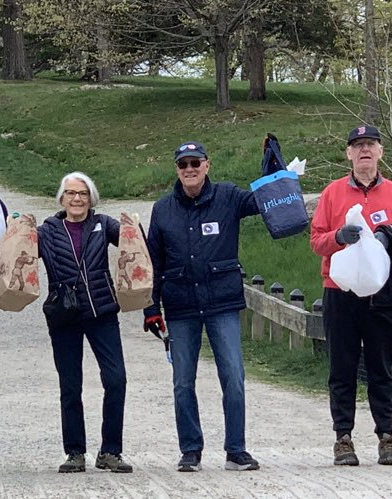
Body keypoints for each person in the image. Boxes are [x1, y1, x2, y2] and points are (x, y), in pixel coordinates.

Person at [143, 141, 263, 473]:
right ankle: (191, 450)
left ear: (207, 165)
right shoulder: (162, 210)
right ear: (177, 169)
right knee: (183, 381)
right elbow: (153, 262)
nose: (190, 169)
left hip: (222, 304)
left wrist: (275, 168)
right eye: (183, 164)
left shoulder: (228, 196)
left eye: (195, 163)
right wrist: (151, 308)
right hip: (180, 306)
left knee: (233, 376)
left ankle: (236, 450)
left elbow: (261, 201)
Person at [308, 125, 392, 467]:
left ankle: (387, 436)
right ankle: (343, 437)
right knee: (341, 368)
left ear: (380, 151)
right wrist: (339, 237)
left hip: (382, 294)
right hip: (339, 291)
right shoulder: (332, 193)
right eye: (357, 146)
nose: (364, 150)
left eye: (370, 144)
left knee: (380, 368)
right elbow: (316, 240)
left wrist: (390, 242)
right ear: (349, 154)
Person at [37, 172, 134, 474]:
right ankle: (75, 452)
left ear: (91, 198)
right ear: (61, 198)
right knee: (70, 385)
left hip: (101, 312)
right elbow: (14, 246)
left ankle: (110, 451)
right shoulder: (47, 230)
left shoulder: (103, 224)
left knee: (116, 379)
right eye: (71, 193)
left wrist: (134, 227)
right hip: (63, 315)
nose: (77, 199)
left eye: (82, 193)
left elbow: (134, 241)